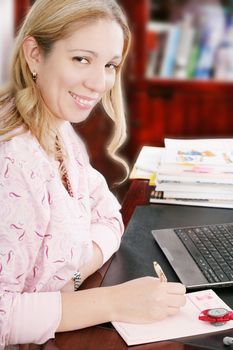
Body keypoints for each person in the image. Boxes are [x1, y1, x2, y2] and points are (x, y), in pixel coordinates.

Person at [0, 0, 186, 347]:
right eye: (81, 59)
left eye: (110, 64)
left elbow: (108, 216)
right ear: (35, 54)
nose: (100, 82)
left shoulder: (60, 133)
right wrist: (112, 302)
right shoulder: (12, 162)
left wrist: (70, 275)